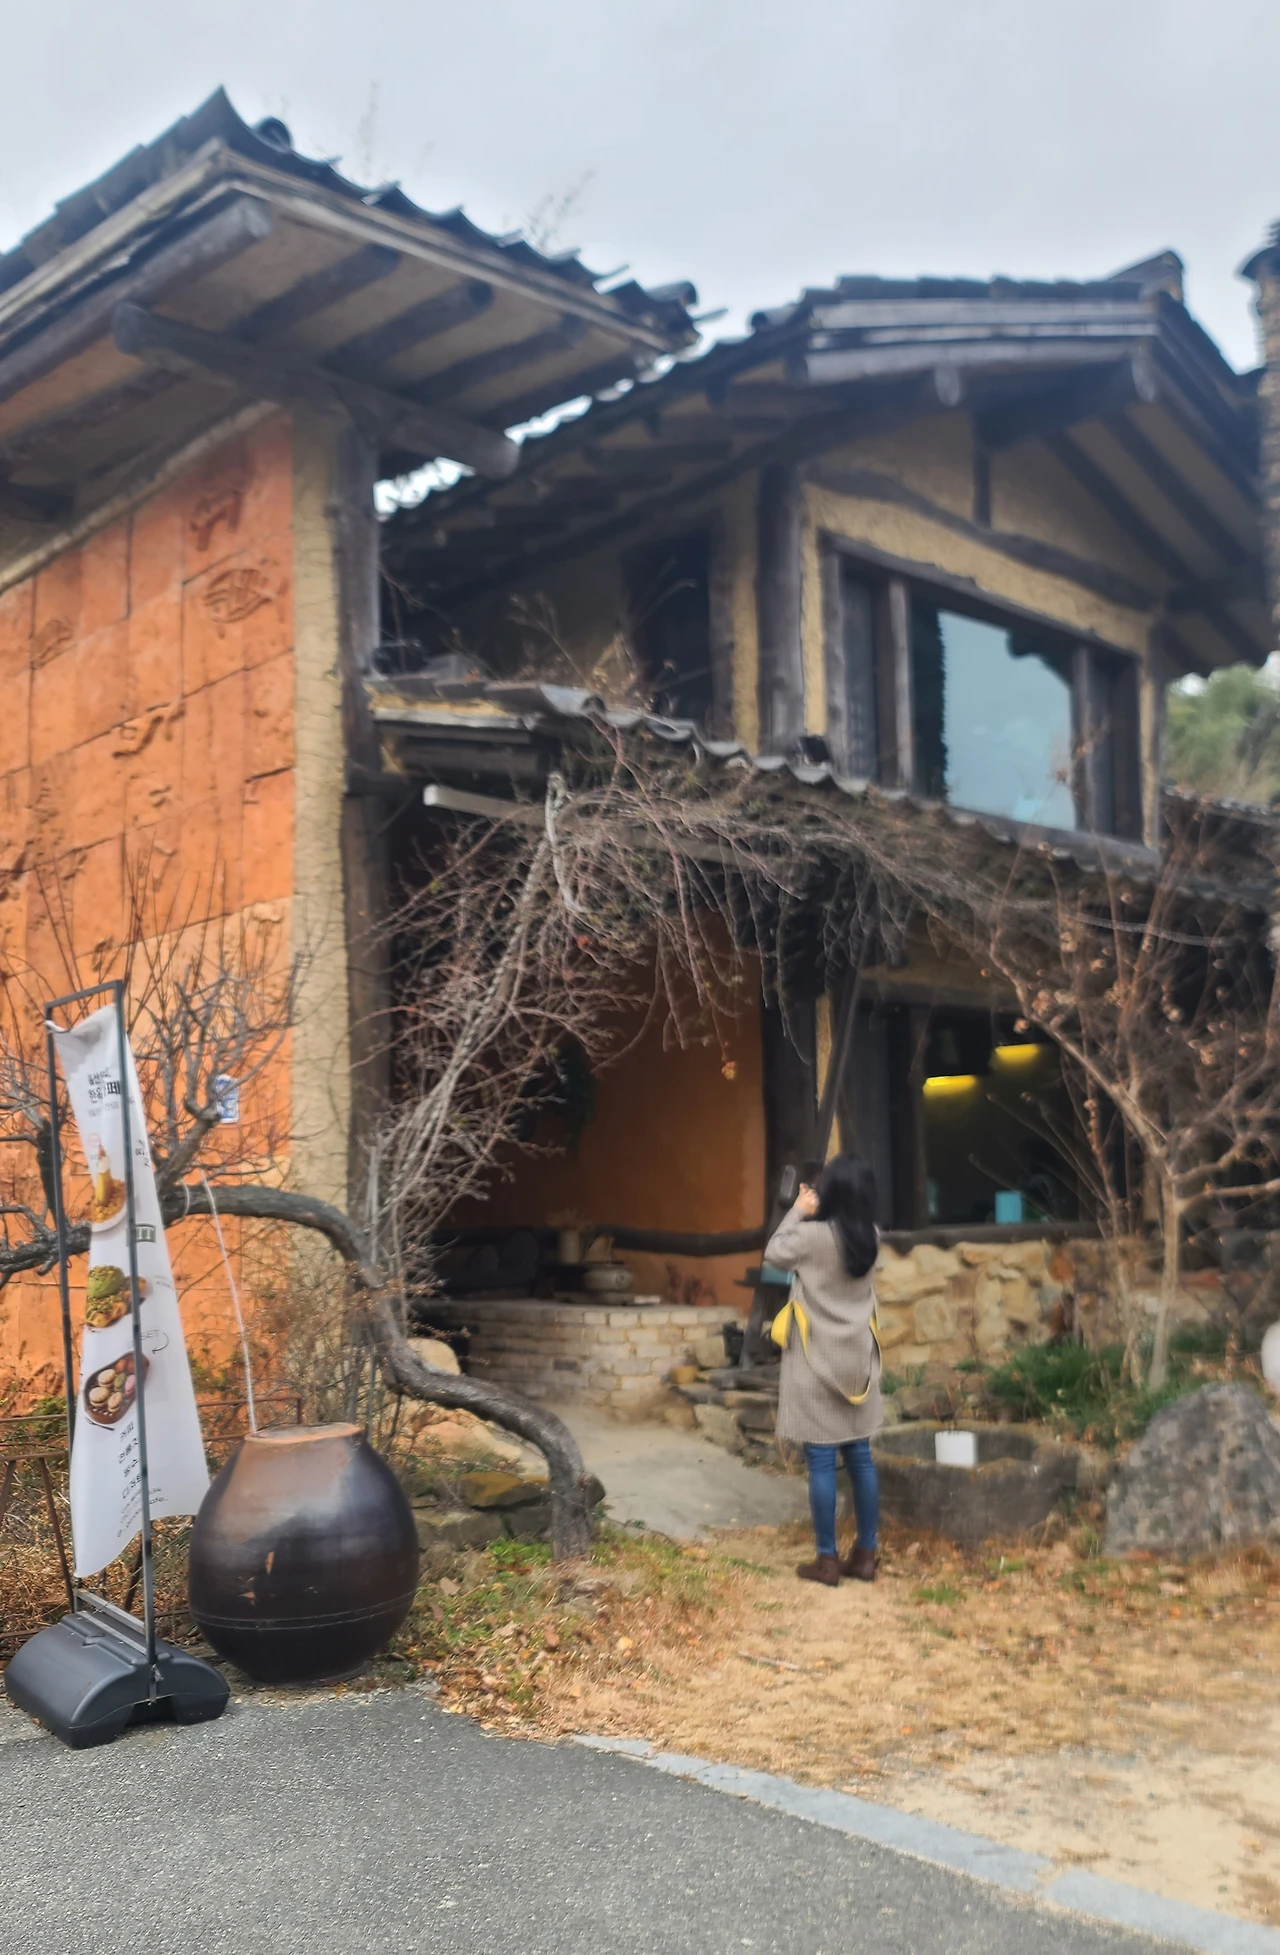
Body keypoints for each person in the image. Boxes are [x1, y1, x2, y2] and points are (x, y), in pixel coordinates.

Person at [764, 1153, 882, 1587]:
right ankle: (866, 1554)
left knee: (820, 1459)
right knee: (860, 1456)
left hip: (817, 1361)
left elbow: (773, 1253)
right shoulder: (872, 1236)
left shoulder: (812, 1238)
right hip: (857, 1362)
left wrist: (799, 1209)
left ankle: (827, 1559)